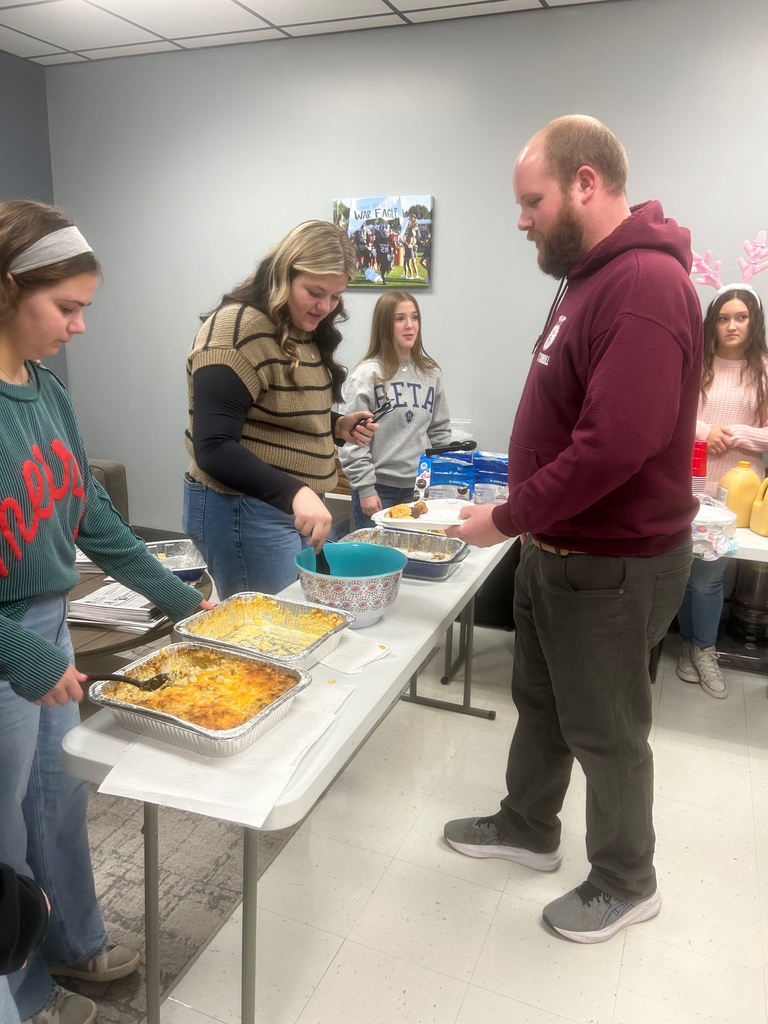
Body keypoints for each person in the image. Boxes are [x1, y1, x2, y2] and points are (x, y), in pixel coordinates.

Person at [442, 116, 701, 943]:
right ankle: (528, 824)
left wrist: (508, 517)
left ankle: (628, 879)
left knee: (606, 727)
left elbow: (614, 445)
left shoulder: (645, 285)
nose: (520, 220)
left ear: (586, 183)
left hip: (613, 563)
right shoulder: (587, 279)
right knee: (544, 703)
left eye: (532, 201)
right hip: (560, 552)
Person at [0, 199, 214, 1024]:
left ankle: (71, 946)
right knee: (4, 845)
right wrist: (26, 657)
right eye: (67, 308)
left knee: (59, 804)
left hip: (52, 628)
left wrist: (184, 602)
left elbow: (93, 517)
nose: (79, 326)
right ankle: (21, 995)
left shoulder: (47, 392)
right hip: (11, 650)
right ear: (9, 288)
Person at [183, 220, 378, 598]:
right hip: (243, 509)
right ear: (282, 274)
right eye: (315, 292)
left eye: (336, 296)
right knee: (267, 636)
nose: (325, 307)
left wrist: (336, 426)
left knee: (293, 624)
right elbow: (214, 446)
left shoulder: (295, 324)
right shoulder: (235, 330)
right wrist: (294, 492)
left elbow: (276, 411)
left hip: (286, 505)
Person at [677, 284, 768, 699]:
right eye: (723, 317)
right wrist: (705, 431)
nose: (731, 325)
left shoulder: (764, 369)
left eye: (741, 317)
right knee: (682, 571)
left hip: (738, 495)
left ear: (754, 322)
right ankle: (688, 647)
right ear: (712, 323)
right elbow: (673, 414)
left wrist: (736, 436)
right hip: (689, 484)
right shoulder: (694, 364)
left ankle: (704, 650)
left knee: (710, 579)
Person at [337, 290, 451, 529]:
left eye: (414, 317)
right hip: (378, 489)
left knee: (417, 556)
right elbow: (353, 442)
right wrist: (366, 488)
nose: (410, 326)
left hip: (420, 487)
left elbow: (439, 432)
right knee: (375, 563)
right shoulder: (366, 376)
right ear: (384, 325)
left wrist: (440, 481)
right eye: (400, 319)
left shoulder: (431, 374)